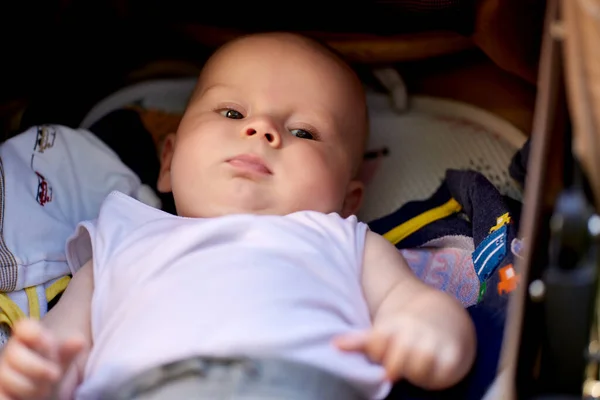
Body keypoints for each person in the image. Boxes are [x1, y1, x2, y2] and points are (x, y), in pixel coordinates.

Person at [0, 32, 476, 400]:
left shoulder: (342, 238)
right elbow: (61, 338)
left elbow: (419, 305)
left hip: (300, 384)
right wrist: (36, 373)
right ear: (168, 162)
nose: (261, 128)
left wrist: (429, 335)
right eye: (230, 113)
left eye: (304, 131)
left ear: (349, 199)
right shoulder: (119, 231)